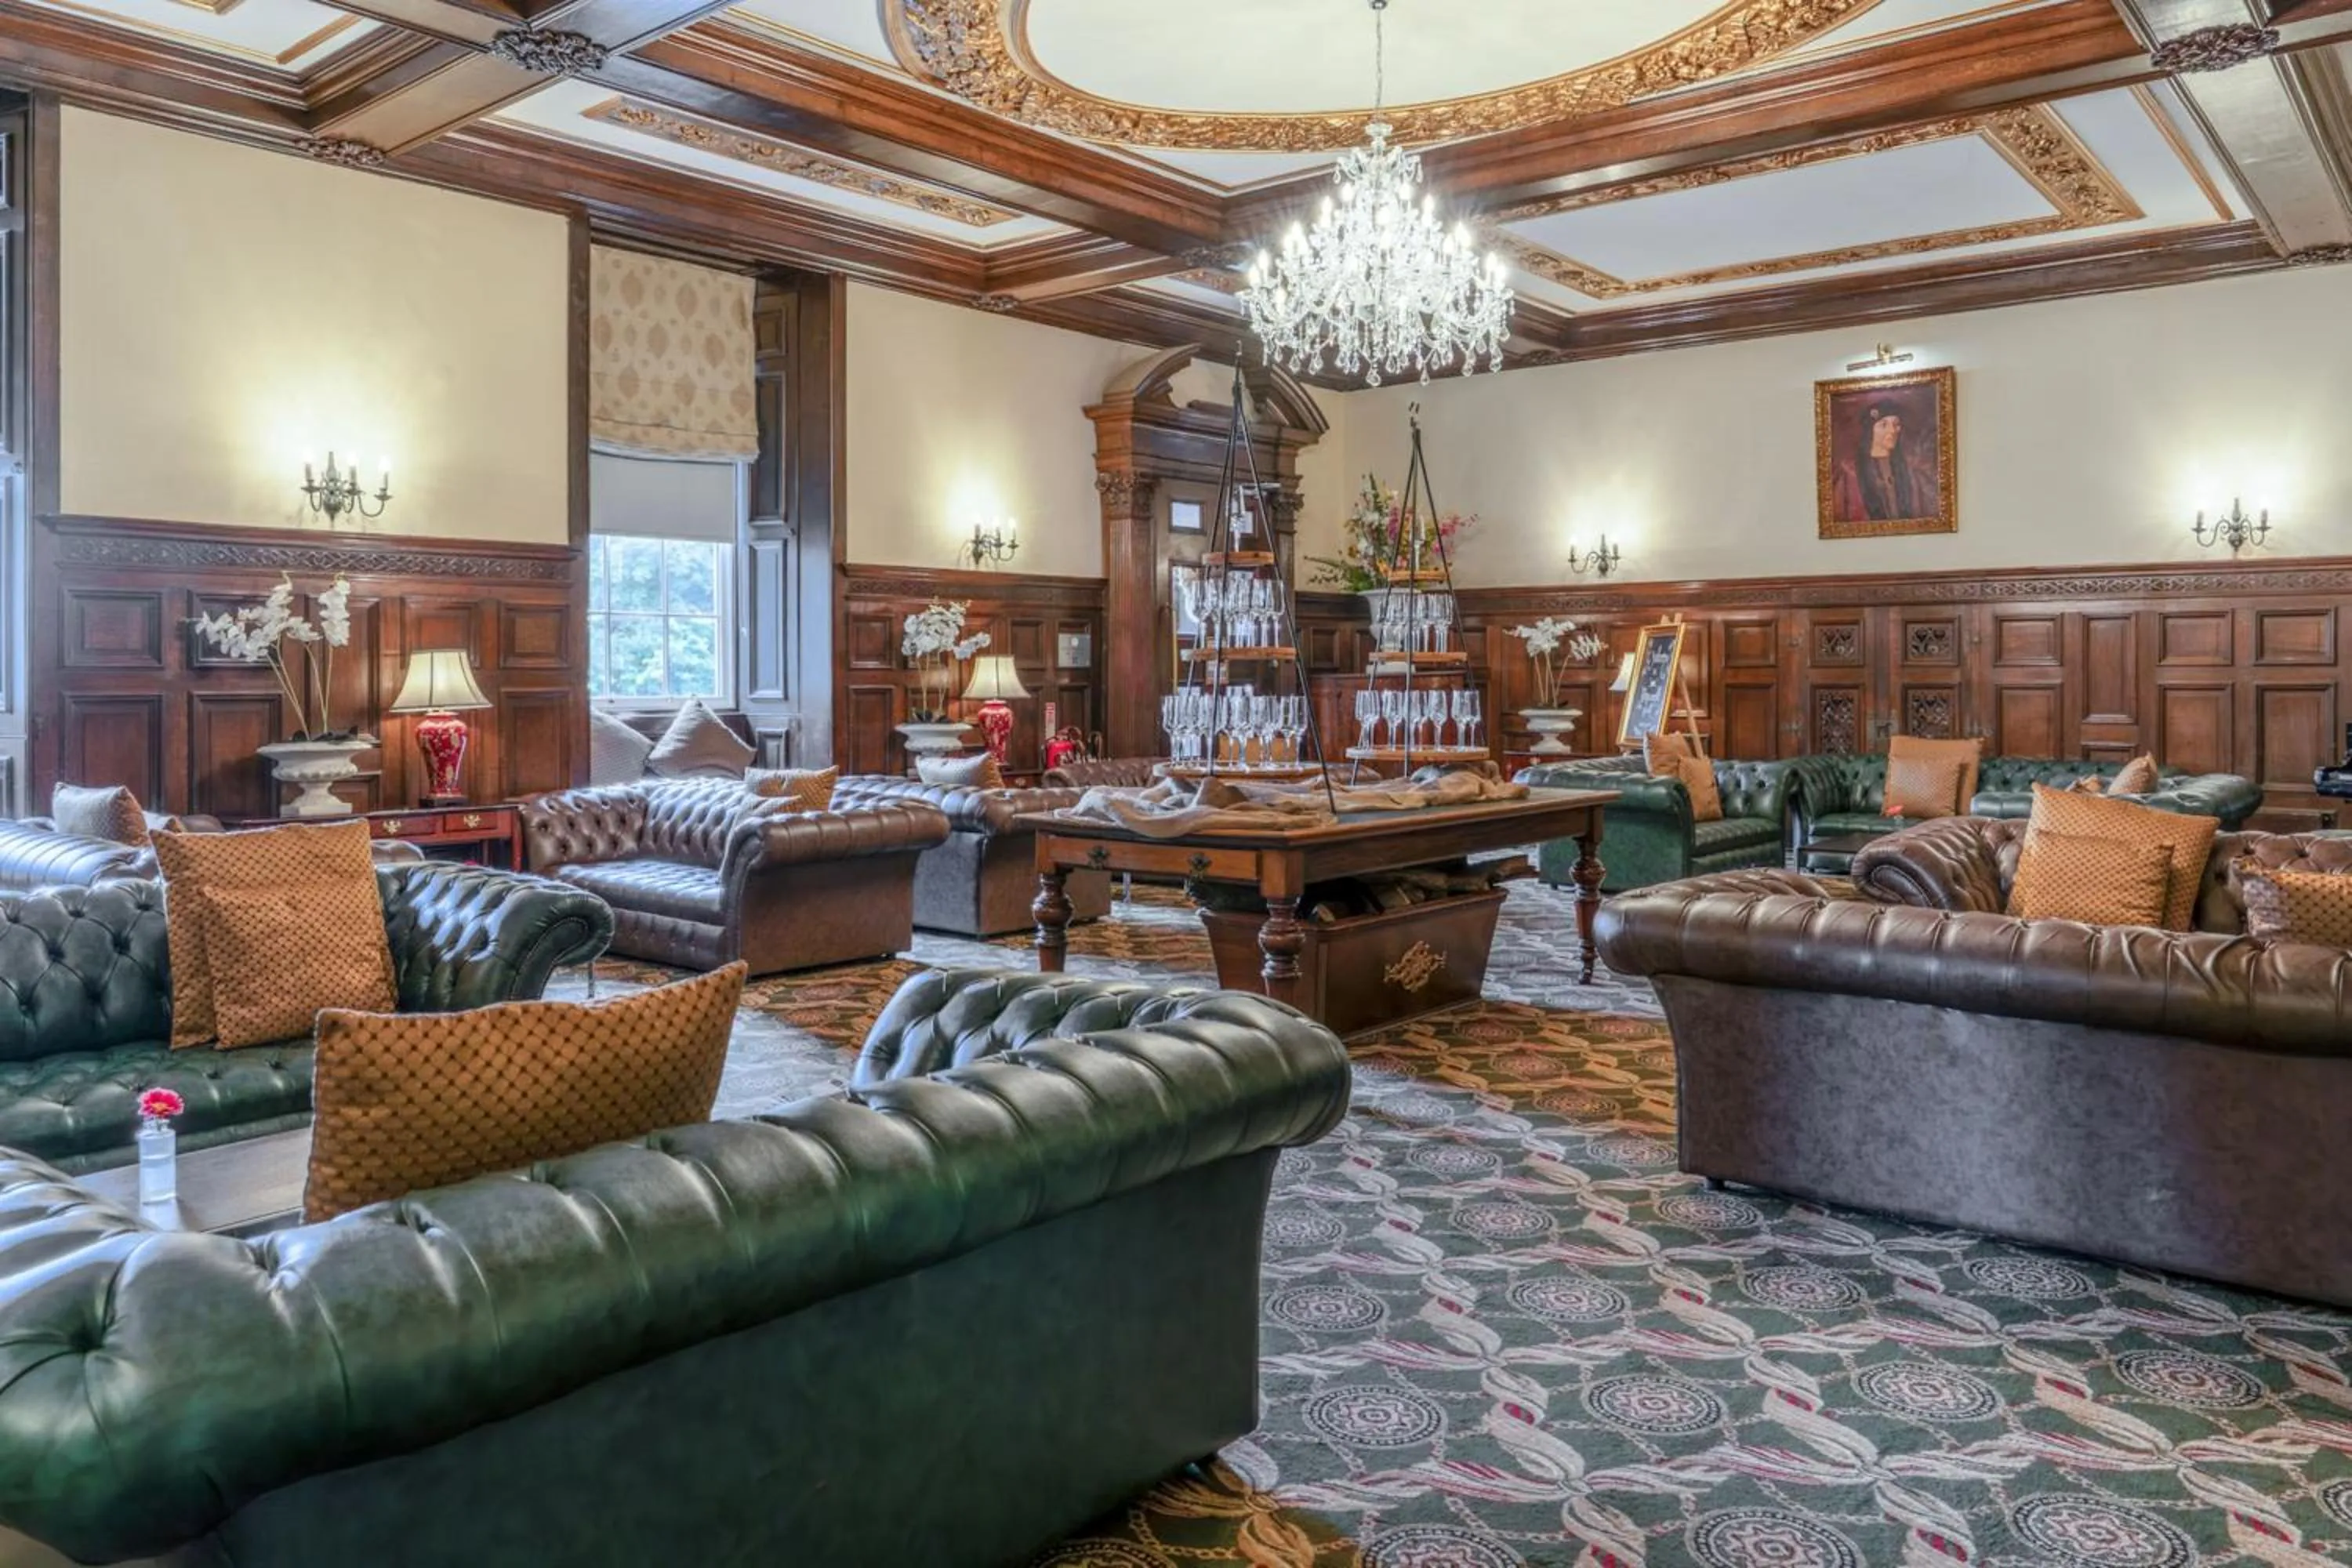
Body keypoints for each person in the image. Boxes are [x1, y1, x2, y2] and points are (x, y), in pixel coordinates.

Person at [1831, 397, 1941, 523]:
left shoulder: (1912, 470)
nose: (1892, 431)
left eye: (1896, 425)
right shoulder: (1849, 474)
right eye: (1884, 425)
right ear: (1870, 430)